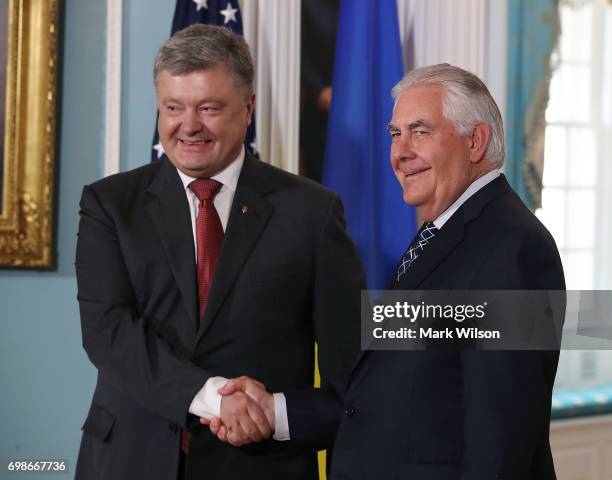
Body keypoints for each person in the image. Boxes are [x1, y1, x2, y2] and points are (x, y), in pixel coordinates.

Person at [206, 64, 566, 479]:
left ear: (475, 141)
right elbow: (377, 398)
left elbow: (503, 442)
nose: (400, 152)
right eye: (396, 134)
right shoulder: (438, 237)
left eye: (421, 131)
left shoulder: (513, 248)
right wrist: (274, 411)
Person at [74, 24, 365, 480]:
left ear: (247, 109)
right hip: (129, 461)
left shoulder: (312, 213)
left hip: (262, 467)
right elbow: (107, 331)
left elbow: (353, 378)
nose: (188, 126)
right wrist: (213, 398)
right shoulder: (110, 205)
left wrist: (274, 413)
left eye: (208, 108)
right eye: (173, 108)